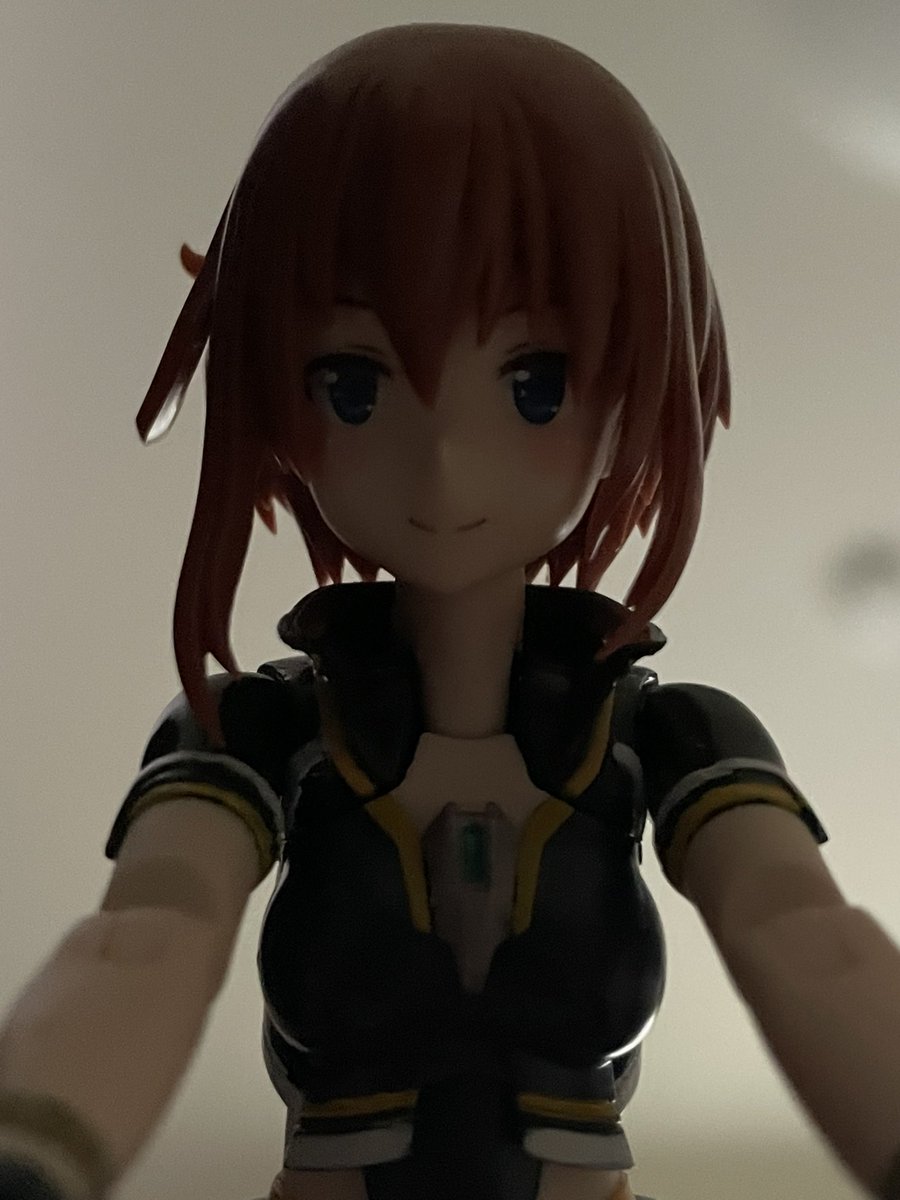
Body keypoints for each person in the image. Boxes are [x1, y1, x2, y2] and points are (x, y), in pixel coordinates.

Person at [1, 23, 899, 1200]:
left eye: (537, 383)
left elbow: (805, 933)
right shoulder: (258, 733)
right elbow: (147, 936)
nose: (443, 465)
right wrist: (36, 1150)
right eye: (352, 383)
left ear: (630, 391)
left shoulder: (672, 737)